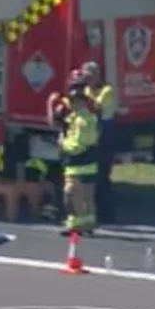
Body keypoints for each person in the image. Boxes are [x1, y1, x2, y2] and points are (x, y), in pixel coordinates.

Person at [58, 85, 101, 235]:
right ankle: (87, 223)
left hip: (78, 162)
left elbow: (78, 144)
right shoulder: (76, 117)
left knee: (70, 194)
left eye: (73, 101)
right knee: (87, 196)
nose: (70, 103)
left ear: (81, 102)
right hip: (88, 163)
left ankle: (75, 224)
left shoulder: (83, 121)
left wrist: (63, 144)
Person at [81, 61, 119, 223]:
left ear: (97, 75)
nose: (87, 80)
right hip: (93, 133)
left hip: (105, 133)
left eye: (90, 76)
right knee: (91, 176)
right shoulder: (87, 90)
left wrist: (81, 99)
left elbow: (95, 109)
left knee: (102, 175)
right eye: (85, 77)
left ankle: (107, 213)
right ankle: (95, 210)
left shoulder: (107, 91)